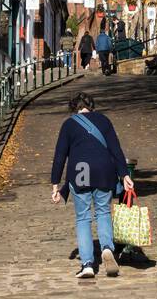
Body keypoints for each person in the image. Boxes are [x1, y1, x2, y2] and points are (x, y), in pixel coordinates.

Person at [51, 92, 133, 279]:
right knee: (103, 211)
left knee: (83, 218)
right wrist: (124, 174)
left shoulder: (69, 124)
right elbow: (115, 148)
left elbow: (60, 156)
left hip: (81, 171)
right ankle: (106, 247)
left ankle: (87, 263)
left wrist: (55, 184)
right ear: (91, 106)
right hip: (104, 169)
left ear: (74, 108)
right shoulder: (104, 120)